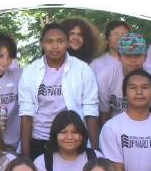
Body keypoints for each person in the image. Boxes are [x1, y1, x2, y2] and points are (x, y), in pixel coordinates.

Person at [19, 24, 99, 157]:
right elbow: (26, 113)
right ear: (42, 43)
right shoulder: (30, 72)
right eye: (49, 41)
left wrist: (95, 152)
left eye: (60, 41)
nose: (55, 46)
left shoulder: (82, 69)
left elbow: (90, 110)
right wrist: (25, 156)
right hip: (40, 138)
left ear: (67, 43)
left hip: (73, 139)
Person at [97, 32, 151, 122]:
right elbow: (104, 112)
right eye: (127, 55)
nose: (133, 60)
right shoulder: (105, 76)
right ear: (119, 57)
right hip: (116, 127)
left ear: (145, 57)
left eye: (137, 55)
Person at [90, 19, 131, 87]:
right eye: (115, 34)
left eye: (124, 34)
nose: (120, 38)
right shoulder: (95, 65)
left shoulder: (137, 62)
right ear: (106, 39)